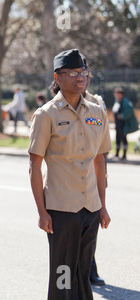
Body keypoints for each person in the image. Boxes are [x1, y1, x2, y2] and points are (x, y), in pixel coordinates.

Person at [29, 49, 111, 300]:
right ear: (58, 77)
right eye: (73, 73)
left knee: (83, 272)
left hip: (90, 207)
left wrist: (103, 207)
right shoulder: (46, 115)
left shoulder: (97, 112)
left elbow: (100, 162)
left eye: (83, 72)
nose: (80, 77)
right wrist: (42, 212)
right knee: (63, 273)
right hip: (62, 209)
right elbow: (34, 167)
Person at [81, 55, 108, 286]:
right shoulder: (59, 104)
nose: (83, 79)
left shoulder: (97, 103)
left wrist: (104, 173)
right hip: (69, 180)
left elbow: (102, 144)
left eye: (86, 74)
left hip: (93, 174)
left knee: (93, 222)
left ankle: (91, 268)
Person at [112, 87, 138, 161]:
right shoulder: (117, 101)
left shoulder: (125, 102)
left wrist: (122, 115)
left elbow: (129, 110)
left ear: (121, 94)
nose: (116, 95)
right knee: (117, 137)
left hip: (123, 124)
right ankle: (117, 153)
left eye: (117, 94)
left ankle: (124, 154)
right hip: (117, 123)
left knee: (123, 138)